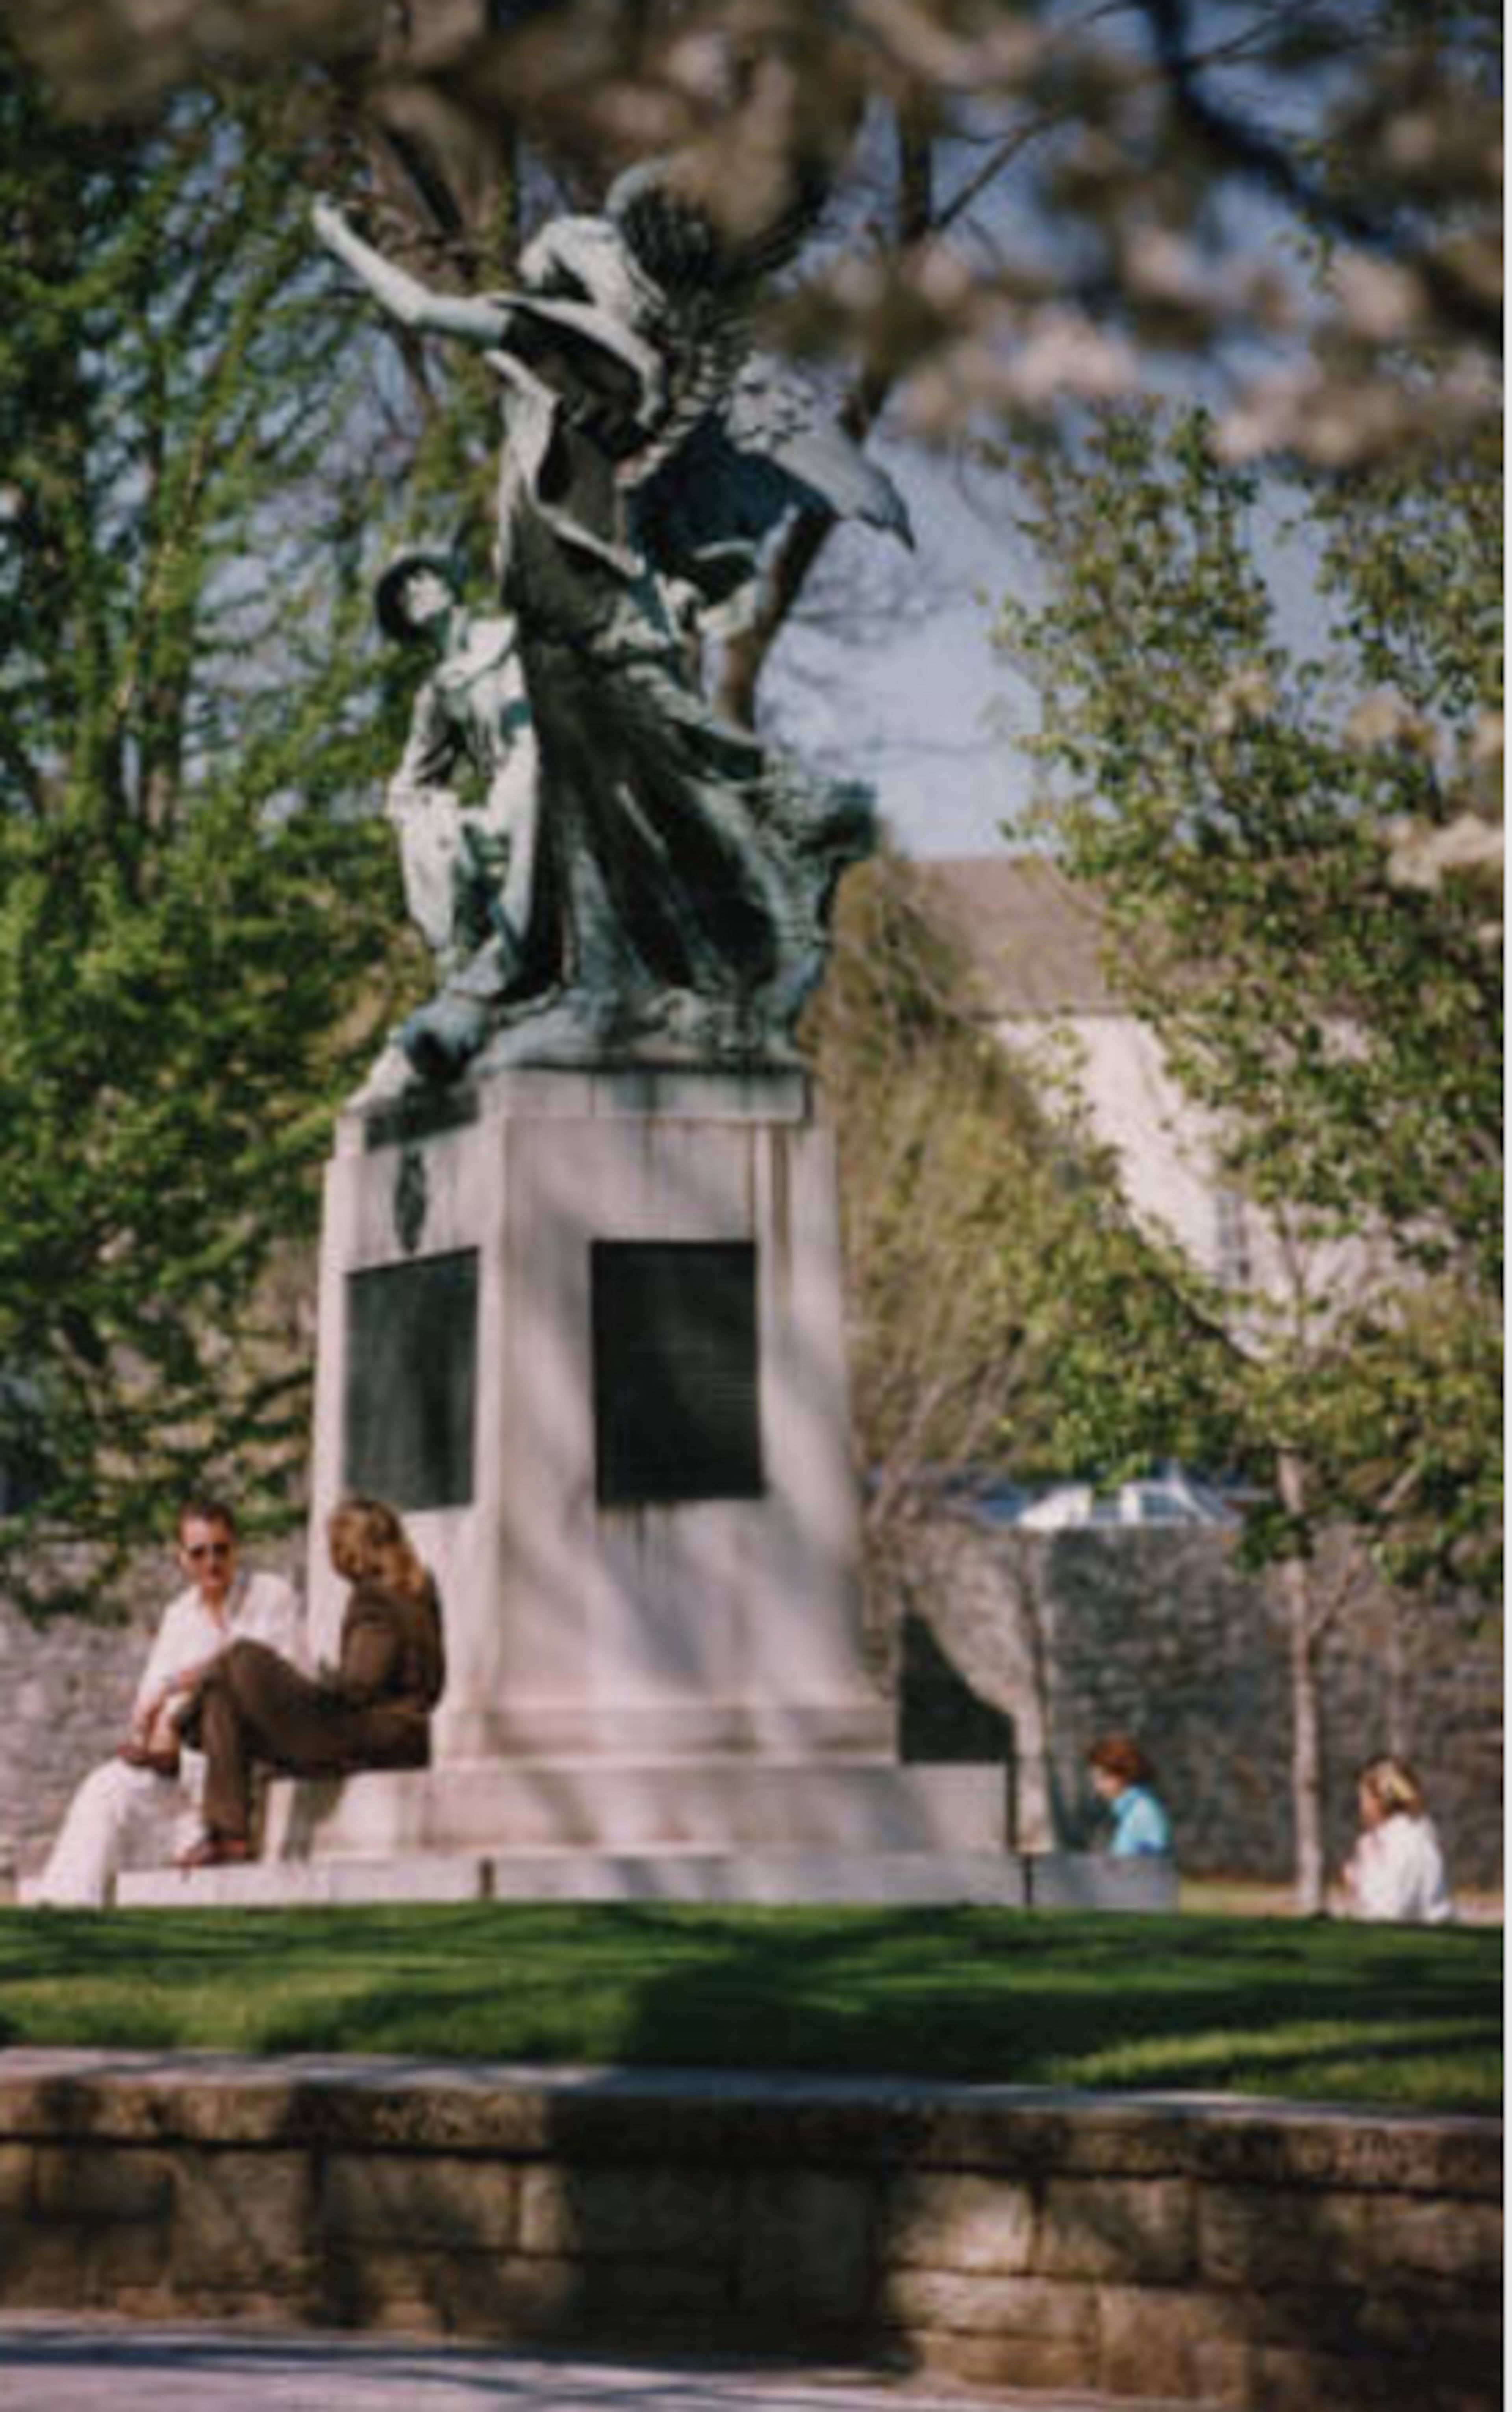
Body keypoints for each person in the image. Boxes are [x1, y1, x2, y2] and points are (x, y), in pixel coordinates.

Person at [33, 1500, 305, 1907]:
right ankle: (65, 1907)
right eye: (199, 1552)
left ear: (237, 1547)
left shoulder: (272, 1596)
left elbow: (265, 1672)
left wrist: (179, 1686)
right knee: (105, 1787)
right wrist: (158, 1726)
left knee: (216, 1702)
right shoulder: (179, 1615)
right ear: (182, 1558)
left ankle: (207, 1838)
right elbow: (147, 1701)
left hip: (245, 1760)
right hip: (180, 1761)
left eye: (221, 1549)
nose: (212, 1562)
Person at [176, 1496, 445, 1868]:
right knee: (225, 1694)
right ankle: (229, 1836)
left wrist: (320, 1684)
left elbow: (360, 1685)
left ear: (351, 1548)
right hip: (396, 1731)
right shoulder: (419, 1590)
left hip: (374, 1734)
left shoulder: (375, 1599)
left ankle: (188, 1728)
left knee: (240, 1659)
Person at [376, 548, 541, 980]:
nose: (412, 590)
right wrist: (422, 825)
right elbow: (409, 780)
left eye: (422, 576)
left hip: (548, 769)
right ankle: (459, 962)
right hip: (508, 789)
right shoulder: (437, 692)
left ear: (449, 584)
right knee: (440, 833)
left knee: (513, 806)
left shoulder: (511, 637)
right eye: (401, 590)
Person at [1339, 1754, 1455, 1924]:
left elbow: (1392, 1911)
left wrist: (1358, 1883)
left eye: (1364, 1798)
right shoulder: (1389, 1840)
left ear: (1381, 1801)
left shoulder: (1407, 1842)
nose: (1361, 1806)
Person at [1087, 1733, 1174, 1858]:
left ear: (1125, 1774)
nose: (1098, 1788)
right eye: (1095, 1780)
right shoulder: (1129, 1812)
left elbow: (1151, 1868)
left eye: (1104, 1779)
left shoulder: (1144, 1813)